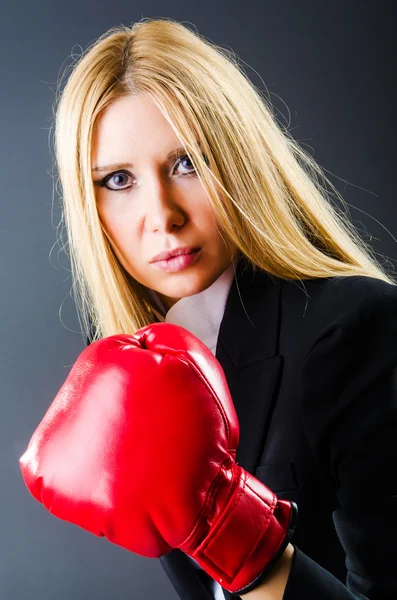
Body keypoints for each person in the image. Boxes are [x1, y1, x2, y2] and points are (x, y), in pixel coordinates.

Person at [21, 17, 397, 600]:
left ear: (239, 162)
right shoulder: (133, 359)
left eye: (187, 163)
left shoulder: (354, 329)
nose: (162, 214)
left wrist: (234, 533)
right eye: (118, 179)